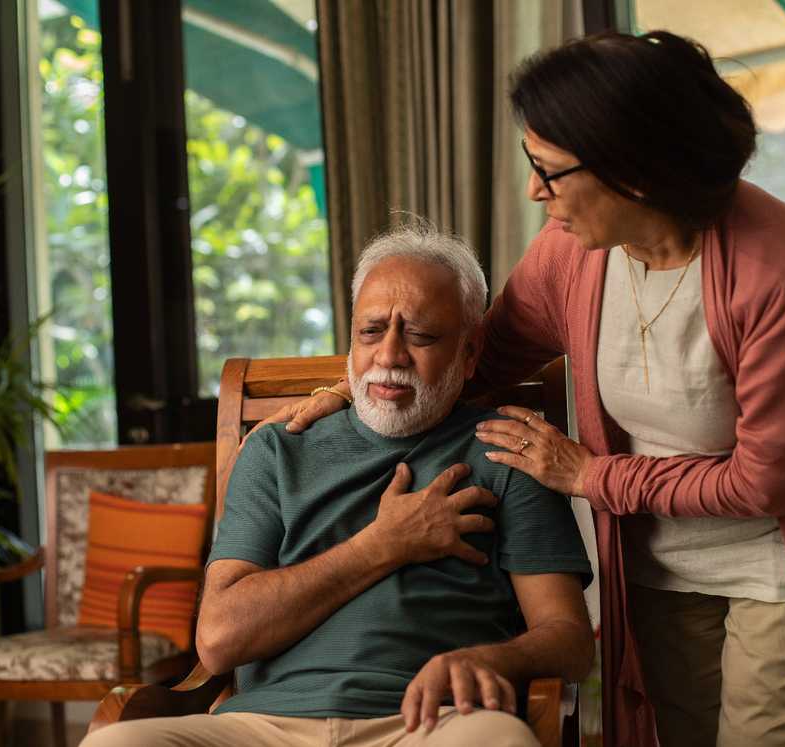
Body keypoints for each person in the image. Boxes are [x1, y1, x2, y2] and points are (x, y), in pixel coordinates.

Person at [275, 31, 785, 747]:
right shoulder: (571, 254)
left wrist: (590, 476)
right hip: (659, 564)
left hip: (782, 561)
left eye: (548, 171)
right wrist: (357, 389)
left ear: (630, 170)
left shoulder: (783, 271)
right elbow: (477, 357)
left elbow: (770, 481)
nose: (533, 191)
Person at [81, 225, 594, 747]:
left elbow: (571, 640)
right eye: (371, 331)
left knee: (498, 740)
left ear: (468, 352)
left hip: (428, 725)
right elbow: (217, 641)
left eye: (420, 336)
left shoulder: (508, 451)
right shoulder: (277, 449)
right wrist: (383, 544)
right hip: (264, 728)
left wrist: (494, 659)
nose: (389, 356)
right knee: (114, 743)